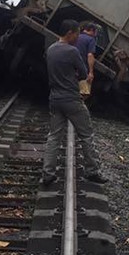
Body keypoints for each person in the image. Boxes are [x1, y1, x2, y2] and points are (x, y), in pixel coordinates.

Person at [41, 20, 106, 185]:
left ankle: (48, 173)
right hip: (72, 99)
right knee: (86, 135)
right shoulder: (72, 51)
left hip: (54, 99)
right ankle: (92, 171)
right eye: (77, 33)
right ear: (70, 33)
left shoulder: (51, 49)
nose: (78, 37)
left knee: (54, 137)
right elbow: (84, 73)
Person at [76, 21, 98, 89]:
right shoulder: (91, 40)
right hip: (80, 69)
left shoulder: (77, 36)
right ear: (91, 30)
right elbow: (90, 55)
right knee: (84, 91)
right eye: (96, 32)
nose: (96, 34)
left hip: (69, 65)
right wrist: (91, 72)